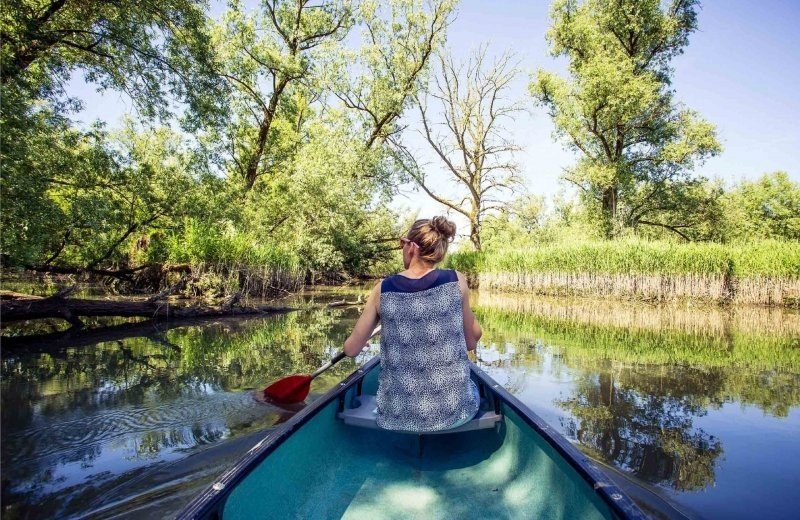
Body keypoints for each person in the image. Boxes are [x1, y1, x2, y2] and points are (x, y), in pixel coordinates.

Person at [343, 216, 483, 432]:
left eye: (402, 244)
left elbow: (351, 349)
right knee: (473, 388)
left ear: (411, 247)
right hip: (454, 413)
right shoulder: (457, 280)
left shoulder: (383, 289)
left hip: (395, 416)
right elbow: (471, 341)